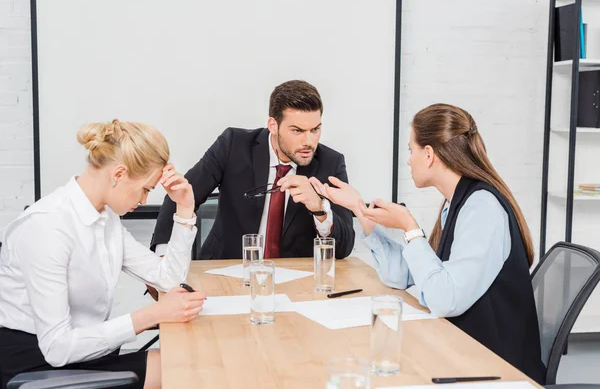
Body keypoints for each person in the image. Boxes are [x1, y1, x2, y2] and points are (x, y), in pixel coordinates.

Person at [312, 104, 546, 384]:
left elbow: (445, 299)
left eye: (411, 150)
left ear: (429, 154)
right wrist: (359, 209)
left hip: (494, 368)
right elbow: (402, 276)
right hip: (463, 351)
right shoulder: (456, 203)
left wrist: (410, 228)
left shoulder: (482, 207)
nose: (409, 160)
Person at [0, 120, 207, 389]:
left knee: (187, 362)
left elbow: (167, 279)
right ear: (119, 174)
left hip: (83, 351)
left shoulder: (106, 219)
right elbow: (57, 348)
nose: (144, 201)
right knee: (182, 372)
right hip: (37, 362)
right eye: (145, 189)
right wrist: (151, 315)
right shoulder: (47, 228)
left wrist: (185, 209)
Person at [151, 80, 355, 262]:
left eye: (315, 130)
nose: (308, 141)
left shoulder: (331, 163)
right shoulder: (233, 145)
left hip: (295, 281)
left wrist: (320, 208)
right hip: (226, 269)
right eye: (297, 131)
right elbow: (182, 194)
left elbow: (344, 248)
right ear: (273, 125)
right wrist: (162, 258)